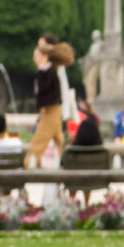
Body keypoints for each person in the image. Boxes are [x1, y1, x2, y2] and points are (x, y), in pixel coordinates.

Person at [24, 36, 72, 168]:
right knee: (58, 138)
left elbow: (44, 89)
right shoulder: (50, 69)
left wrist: (40, 71)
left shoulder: (49, 70)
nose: (34, 58)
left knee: (41, 138)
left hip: (51, 108)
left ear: (44, 56)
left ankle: (29, 164)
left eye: (36, 55)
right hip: (52, 107)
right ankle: (62, 161)